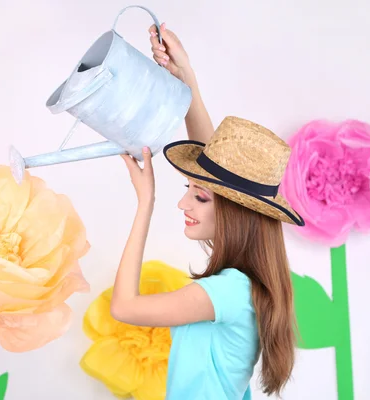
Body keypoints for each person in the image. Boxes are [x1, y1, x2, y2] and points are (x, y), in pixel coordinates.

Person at [110, 22, 305, 400]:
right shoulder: (246, 286)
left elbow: (125, 306)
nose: (184, 203)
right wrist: (187, 80)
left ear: (237, 215)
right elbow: (216, 170)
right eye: (189, 191)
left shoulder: (228, 291)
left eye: (199, 197)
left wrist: (144, 203)